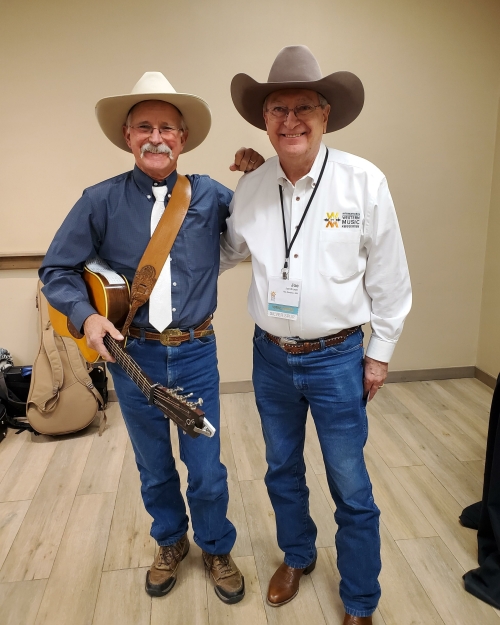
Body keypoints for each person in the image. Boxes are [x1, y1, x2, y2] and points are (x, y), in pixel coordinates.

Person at [40, 71, 265, 605]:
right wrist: (86, 319)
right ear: (127, 135)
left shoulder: (211, 195)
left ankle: (214, 546)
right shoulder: (99, 200)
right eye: (145, 127)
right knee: (153, 464)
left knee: (206, 464)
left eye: (167, 128)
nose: (156, 137)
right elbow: (57, 269)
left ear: (183, 139)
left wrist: (261, 176)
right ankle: (169, 543)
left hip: (194, 351)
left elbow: (266, 226)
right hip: (129, 352)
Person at [220, 46, 412, 624]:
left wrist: (377, 357)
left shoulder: (363, 181)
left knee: (349, 482)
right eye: (278, 108)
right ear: (264, 119)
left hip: (337, 359)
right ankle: (297, 556)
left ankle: (359, 599)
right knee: (281, 468)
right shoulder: (252, 187)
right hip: (271, 357)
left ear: (326, 114)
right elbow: (226, 252)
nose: (291, 119)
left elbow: (390, 278)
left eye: (305, 106)